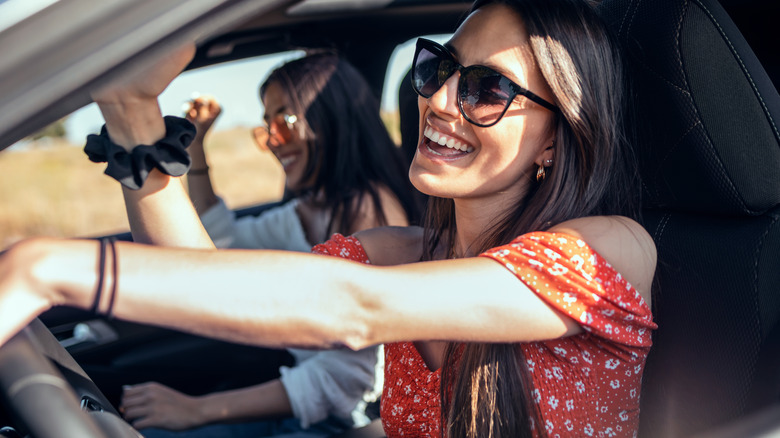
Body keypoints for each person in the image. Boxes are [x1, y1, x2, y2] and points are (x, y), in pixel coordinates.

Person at [0, 0, 657, 436]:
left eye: (488, 89)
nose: (438, 101)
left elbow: (353, 308)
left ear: (554, 140)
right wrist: (131, 111)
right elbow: (203, 281)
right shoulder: (399, 252)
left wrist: (45, 265)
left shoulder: (611, 252)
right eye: (439, 69)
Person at [119, 53, 422, 438]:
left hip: (350, 419)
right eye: (267, 127)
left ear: (330, 119)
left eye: (285, 121)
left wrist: (197, 410)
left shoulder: (373, 215)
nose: (274, 140)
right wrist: (195, 148)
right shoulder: (310, 209)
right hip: (309, 400)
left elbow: (349, 379)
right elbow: (222, 245)